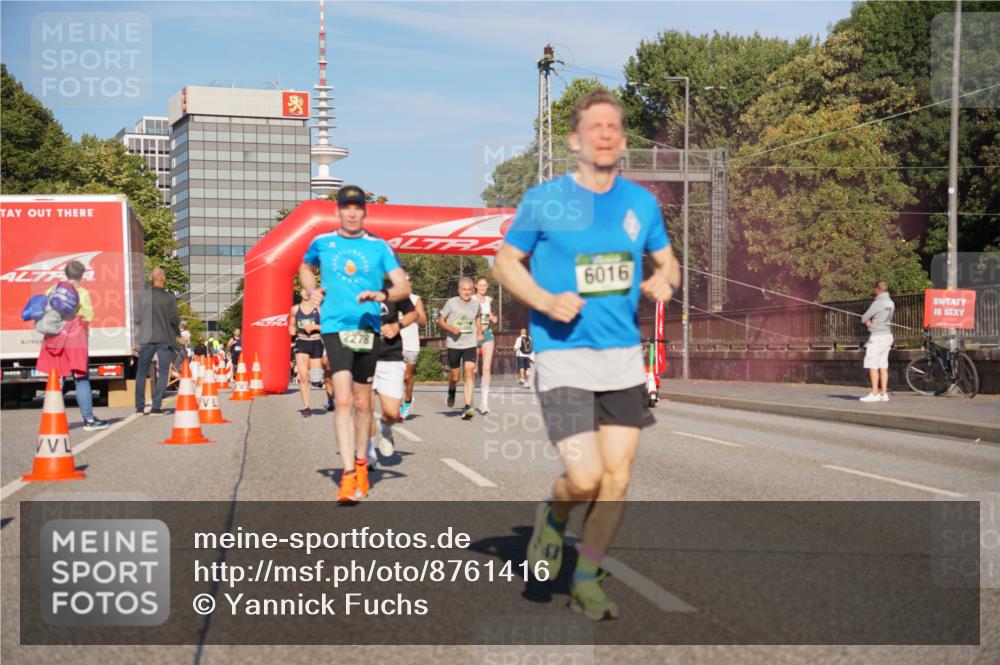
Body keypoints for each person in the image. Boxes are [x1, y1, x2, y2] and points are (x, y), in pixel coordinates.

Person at [492, 89, 680, 621]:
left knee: (618, 479)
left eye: (614, 127)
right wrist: (546, 299)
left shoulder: (641, 204)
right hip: (563, 354)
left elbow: (671, 264)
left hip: (622, 357)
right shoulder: (545, 199)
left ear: (622, 140)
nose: (605, 134)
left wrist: (665, 279)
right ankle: (552, 517)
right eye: (594, 126)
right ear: (575, 140)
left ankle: (586, 576)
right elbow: (505, 263)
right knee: (585, 479)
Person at [298, 185, 410, 504]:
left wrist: (383, 295)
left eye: (357, 207)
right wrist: (310, 291)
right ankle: (347, 475)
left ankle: (362, 461)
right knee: (344, 400)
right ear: (338, 211)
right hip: (335, 327)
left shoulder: (379, 247)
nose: (351, 212)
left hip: (368, 329)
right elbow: (305, 268)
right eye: (346, 207)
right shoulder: (322, 243)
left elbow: (402, 284)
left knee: (364, 404)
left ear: (364, 211)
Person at [36, 260, 109, 431]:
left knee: (55, 379)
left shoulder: (52, 289)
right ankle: (89, 420)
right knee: (81, 379)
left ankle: (51, 421)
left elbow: (44, 310)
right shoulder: (82, 292)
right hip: (74, 340)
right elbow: (88, 316)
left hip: (53, 338)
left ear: (66, 273)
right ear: (82, 275)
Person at [369, 278, 417, 457]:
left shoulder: (395, 288)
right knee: (364, 407)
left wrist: (397, 326)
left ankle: (385, 428)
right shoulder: (353, 286)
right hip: (363, 356)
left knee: (392, 412)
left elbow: (413, 314)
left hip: (391, 356)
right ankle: (368, 455)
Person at [134, 267, 181, 416]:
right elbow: (174, 319)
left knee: (142, 372)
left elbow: (137, 318)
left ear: (152, 279)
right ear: (163, 279)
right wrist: (177, 333)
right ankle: (156, 406)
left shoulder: (143, 296)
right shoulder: (169, 298)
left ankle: (139, 407)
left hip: (146, 338)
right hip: (164, 339)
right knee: (163, 372)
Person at [438, 277, 482, 420]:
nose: (467, 292)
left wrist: (480, 332)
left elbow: (477, 319)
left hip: (470, 343)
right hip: (454, 344)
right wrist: (450, 328)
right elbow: (440, 321)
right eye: (464, 289)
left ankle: (468, 406)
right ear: (459, 290)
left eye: (470, 290)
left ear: (472, 290)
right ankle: (452, 389)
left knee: (469, 372)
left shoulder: (476, 305)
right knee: (455, 377)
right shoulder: (451, 303)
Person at [289, 288, 326, 417]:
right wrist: (292, 331)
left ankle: (322, 383)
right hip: (301, 343)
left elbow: (328, 325)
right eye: (303, 291)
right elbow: (291, 326)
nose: (306, 293)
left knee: (315, 378)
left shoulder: (319, 309)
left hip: (316, 343)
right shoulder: (295, 309)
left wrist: (315, 327)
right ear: (301, 293)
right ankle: (306, 406)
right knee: (303, 376)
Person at [860, 280, 895, 402]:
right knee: (883, 365)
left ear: (878, 289)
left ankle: (874, 393)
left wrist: (868, 322)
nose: (874, 292)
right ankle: (884, 393)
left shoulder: (878, 302)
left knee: (873, 365)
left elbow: (864, 317)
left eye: (875, 289)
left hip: (877, 337)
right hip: (887, 335)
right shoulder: (890, 302)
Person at [399, 276, 427, 419]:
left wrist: (413, 312)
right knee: (396, 376)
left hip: (411, 343)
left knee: (407, 376)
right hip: (395, 344)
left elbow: (424, 321)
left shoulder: (416, 299)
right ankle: (397, 404)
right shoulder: (392, 298)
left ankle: (408, 400)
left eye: (407, 282)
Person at [474, 276, 499, 413]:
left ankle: (484, 403)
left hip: (487, 334)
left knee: (486, 369)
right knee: (473, 369)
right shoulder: (471, 299)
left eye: (485, 285)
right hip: (473, 335)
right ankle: (469, 400)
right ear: (476, 286)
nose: (483, 287)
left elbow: (489, 314)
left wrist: (493, 317)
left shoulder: (489, 300)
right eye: (480, 285)